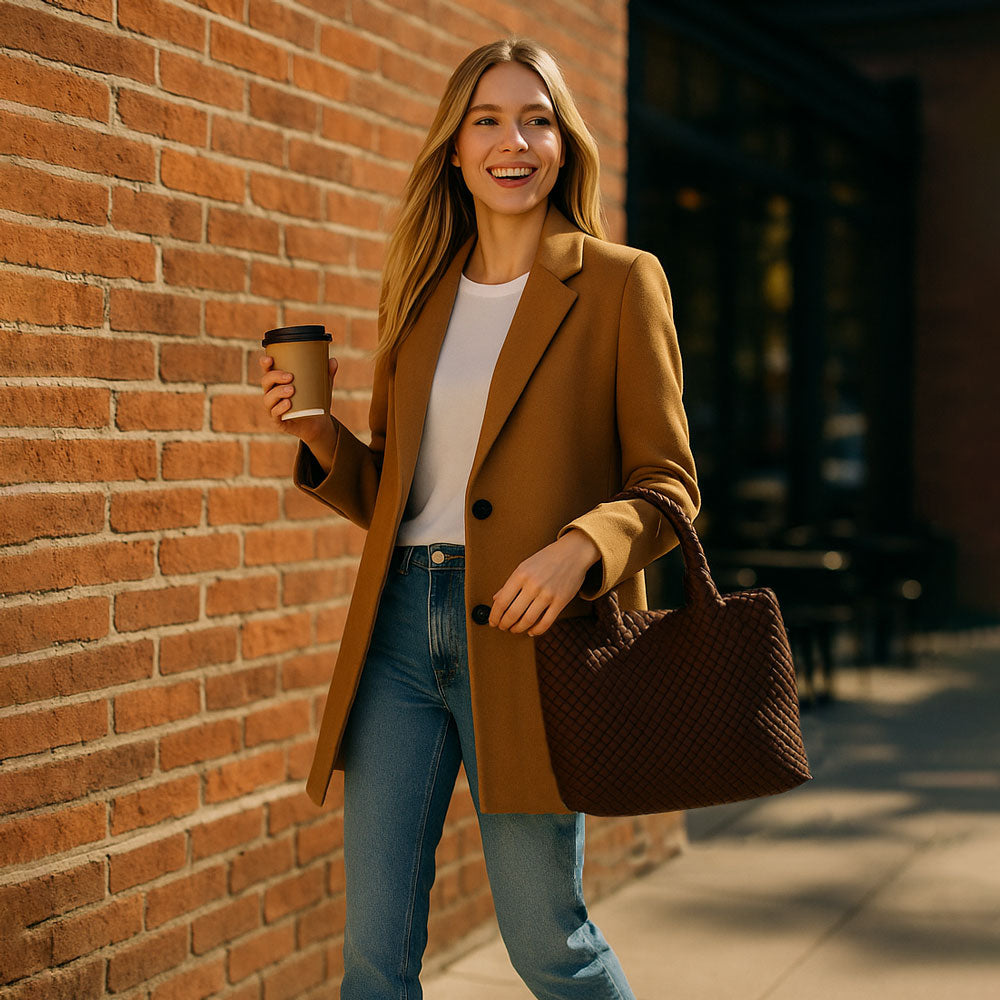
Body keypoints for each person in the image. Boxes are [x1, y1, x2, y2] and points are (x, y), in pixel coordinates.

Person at [259, 36, 699, 1000]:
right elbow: (399, 501)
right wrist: (320, 434)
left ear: (564, 144)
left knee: (549, 945)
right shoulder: (419, 299)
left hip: (533, 645)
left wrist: (582, 547)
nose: (515, 141)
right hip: (398, 641)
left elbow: (668, 485)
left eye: (537, 119)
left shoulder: (621, 282)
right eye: (488, 119)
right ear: (454, 148)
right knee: (373, 957)